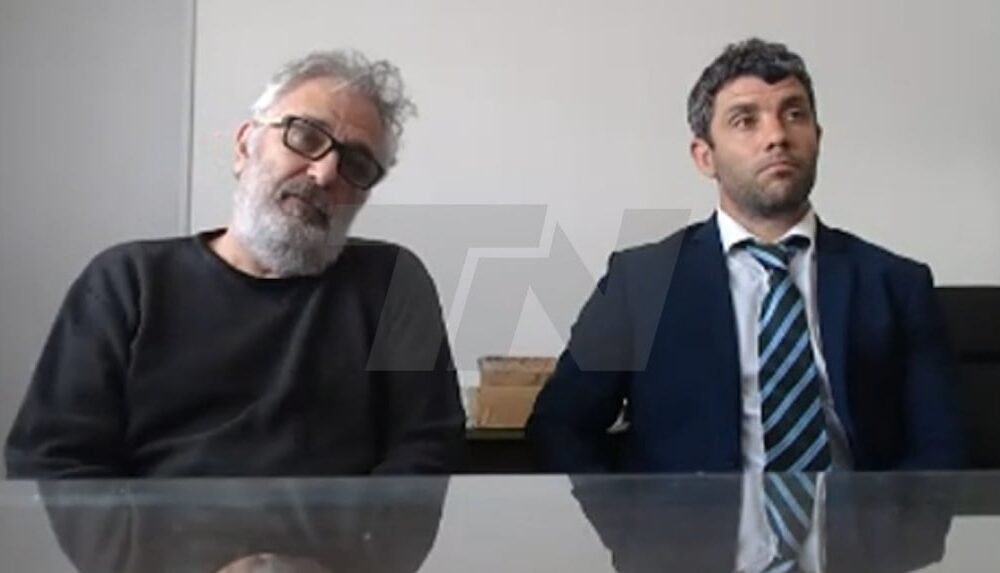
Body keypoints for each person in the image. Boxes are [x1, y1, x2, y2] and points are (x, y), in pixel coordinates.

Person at [6, 50, 465, 478]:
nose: (325, 173)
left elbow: (427, 452)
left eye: (357, 165)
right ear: (245, 146)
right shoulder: (126, 282)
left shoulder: (393, 285)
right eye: (306, 136)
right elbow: (52, 462)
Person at [527, 38, 965, 474]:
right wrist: (628, 513)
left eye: (794, 114)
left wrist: (892, 520)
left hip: (856, 517)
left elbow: (943, 446)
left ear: (817, 138)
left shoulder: (896, 284)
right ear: (705, 156)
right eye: (745, 121)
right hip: (688, 519)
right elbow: (560, 424)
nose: (777, 137)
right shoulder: (640, 282)